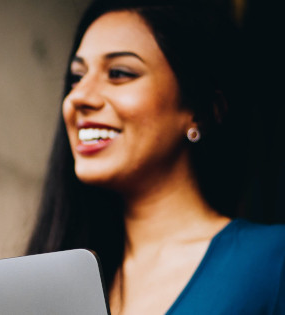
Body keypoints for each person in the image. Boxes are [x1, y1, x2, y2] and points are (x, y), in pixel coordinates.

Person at [26, 0, 285, 314]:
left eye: (119, 73)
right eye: (76, 77)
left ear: (201, 110)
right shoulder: (51, 278)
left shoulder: (272, 262)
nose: (78, 97)